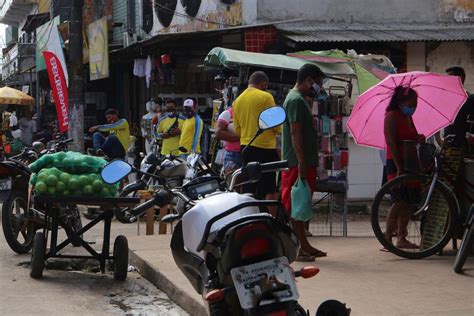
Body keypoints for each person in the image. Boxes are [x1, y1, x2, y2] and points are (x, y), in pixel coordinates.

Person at [281, 64, 327, 261]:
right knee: (295, 204)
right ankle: (300, 248)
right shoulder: (295, 101)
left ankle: (304, 245)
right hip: (297, 162)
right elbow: (295, 132)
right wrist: (301, 161)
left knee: (300, 204)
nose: (319, 87)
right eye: (317, 83)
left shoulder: (300, 100)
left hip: (301, 161)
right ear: (309, 79)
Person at [383, 86, 425, 250]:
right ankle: (387, 238)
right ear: (400, 102)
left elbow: (412, 135)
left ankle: (402, 237)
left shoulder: (407, 117)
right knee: (399, 200)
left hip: (411, 161)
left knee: (407, 201)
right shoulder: (391, 116)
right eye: (411, 103)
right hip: (396, 162)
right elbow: (391, 142)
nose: (414, 107)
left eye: (415, 104)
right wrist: (399, 167)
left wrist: (419, 137)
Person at [233, 71, 281, 200]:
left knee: (249, 188)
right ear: (264, 84)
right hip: (265, 148)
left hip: (246, 147)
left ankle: (248, 218)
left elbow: (238, 130)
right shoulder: (266, 97)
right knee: (270, 189)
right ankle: (272, 218)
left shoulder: (237, 101)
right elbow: (275, 124)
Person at [441, 67, 474, 148]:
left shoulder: (470, 99)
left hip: (466, 149)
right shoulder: (446, 100)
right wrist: (439, 139)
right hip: (448, 148)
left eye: (449, 78)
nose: (447, 81)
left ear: (460, 78)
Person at [216, 106, 241, 180]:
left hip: (250, 152)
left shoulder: (251, 112)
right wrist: (240, 137)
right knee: (233, 183)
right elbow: (218, 132)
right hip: (233, 154)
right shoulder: (228, 113)